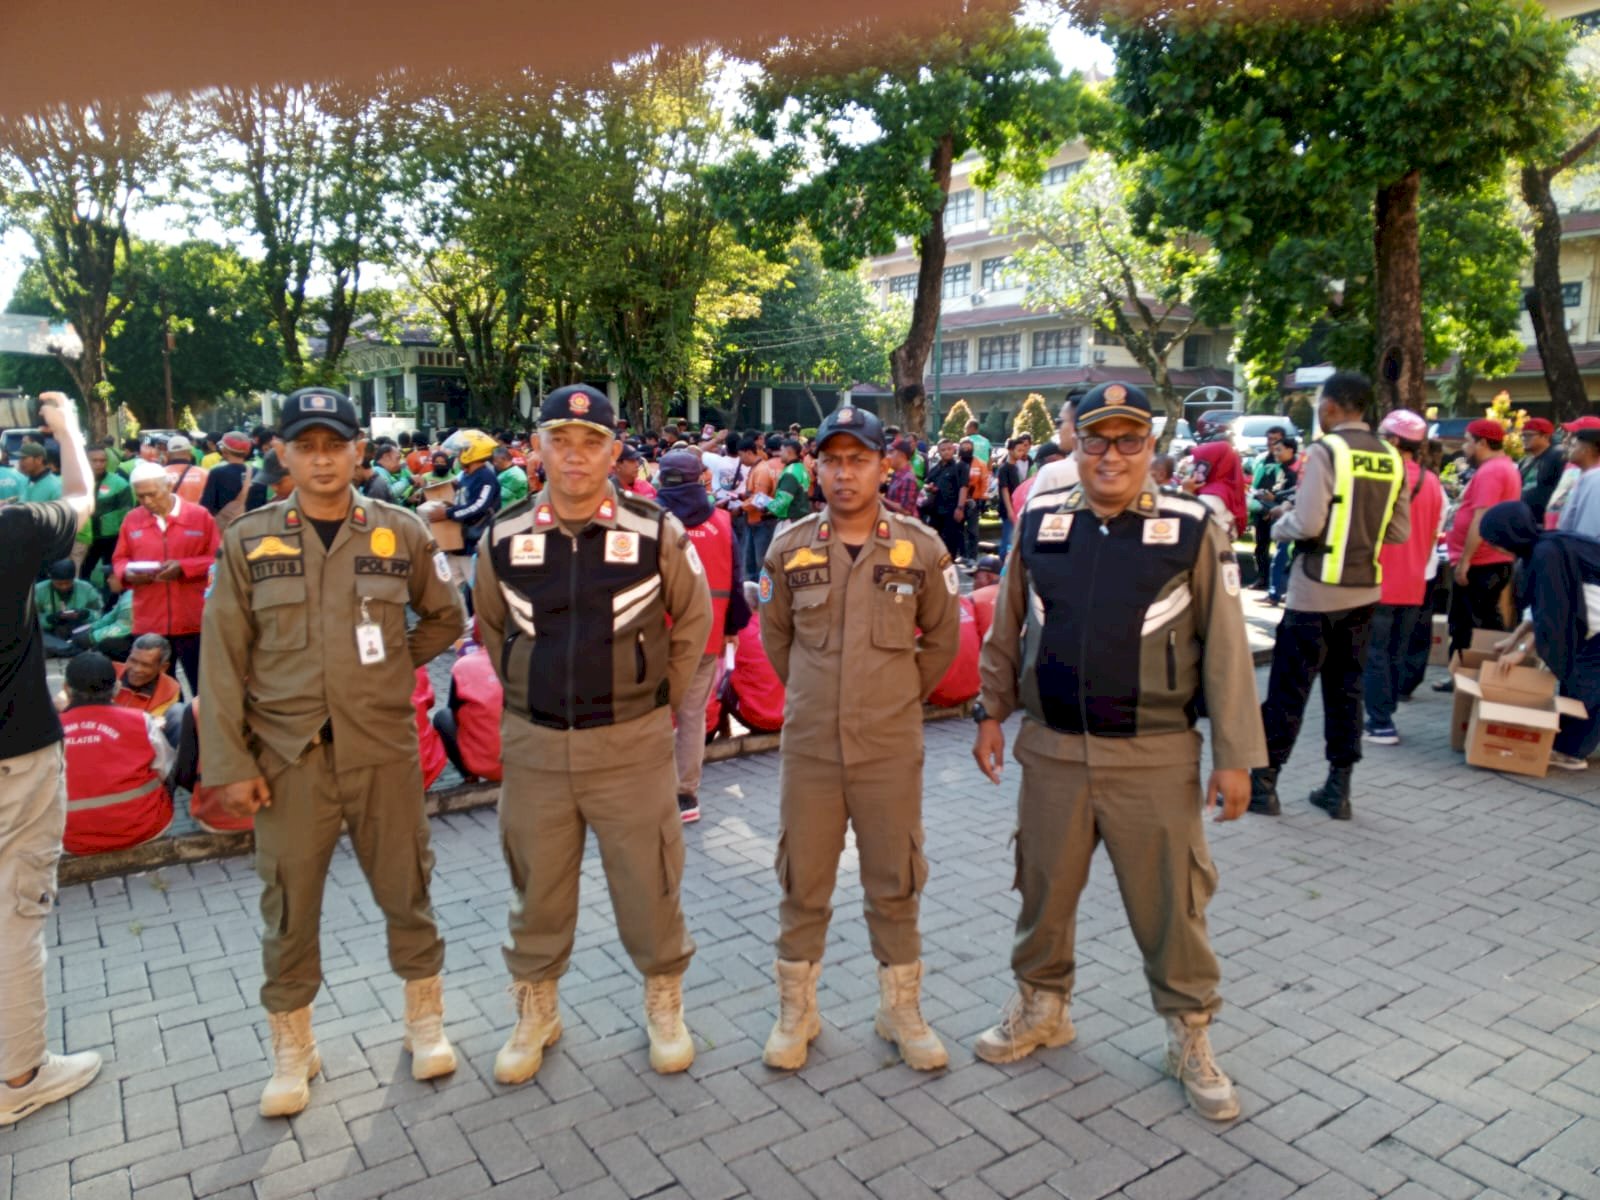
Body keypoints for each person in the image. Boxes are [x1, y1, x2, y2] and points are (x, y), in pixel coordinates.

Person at [970, 380, 1261, 1121]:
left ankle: (1189, 1036)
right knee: (1043, 890)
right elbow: (1007, 629)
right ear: (1075, 440)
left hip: (1154, 754)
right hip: (1053, 751)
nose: (1111, 454)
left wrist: (1235, 756)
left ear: (1151, 447)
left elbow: (1226, 647)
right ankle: (1042, 1007)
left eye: (1129, 439)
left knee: (1172, 904)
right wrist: (990, 712)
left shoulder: (1194, 527)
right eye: (1096, 438)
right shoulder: (1039, 522)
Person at [199, 386, 467, 1117]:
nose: (321, 460)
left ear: (356, 450)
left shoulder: (400, 530)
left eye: (335, 445)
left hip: (380, 747)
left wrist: (388, 667)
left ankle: (425, 1022)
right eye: (305, 446)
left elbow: (447, 616)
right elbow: (221, 660)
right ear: (281, 453)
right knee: (289, 905)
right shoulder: (249, 539)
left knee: (406, 887)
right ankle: (294, 1048)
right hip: (288, 758)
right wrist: (229, 762)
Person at [473, 384, 710, 1085]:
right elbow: (492, 630)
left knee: (649, 882)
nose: (575, 457)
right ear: (537, 448)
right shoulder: (504, 536)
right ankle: (536, 1009)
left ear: (615, 451)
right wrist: (527, 683)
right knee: (538, 887)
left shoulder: (654, 530)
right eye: (560, 441)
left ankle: (664, 1002)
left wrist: (651, 694)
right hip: (536, 745)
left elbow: (691, 624)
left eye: (591, 443)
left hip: (631, 745)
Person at [758, 405, 961, 1072]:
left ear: (884, 465)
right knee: (803, 878)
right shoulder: (788, 548)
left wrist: (893, 697)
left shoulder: (920, 548)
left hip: (888, 749)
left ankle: (899, 1009)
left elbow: (942, 643)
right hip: (812, 747)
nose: (844, 472)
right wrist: (820, 696)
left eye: (858, 459)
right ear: (814, 464)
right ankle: (797, 1011)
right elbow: (777, 642)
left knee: (894, 876)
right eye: (832, 458)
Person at [0, 391, 101, 1126]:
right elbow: (82, 499)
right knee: (14, 914)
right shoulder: (12, 528)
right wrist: (66, 428)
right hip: (14, 757)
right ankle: (19, 1075)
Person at [1249, 371, 1410, 821]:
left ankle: (1264, 785)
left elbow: (1307, 523)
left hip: (1315, 591)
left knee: (1288, 689)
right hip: (1364, 591)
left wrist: (1280, 520)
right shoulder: (1392, 458)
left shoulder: (1328, 451)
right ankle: (1338, 789)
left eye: (1320, 401)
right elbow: (1398, 531)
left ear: (1333, 407)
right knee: (1347, 689)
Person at [656, 449, 751, 823]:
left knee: (656, 711)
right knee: (693, 714)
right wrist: (731, 630)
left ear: (663, 478)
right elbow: (734, 577)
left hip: (656, 637)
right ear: (702, 478)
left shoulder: (648, 519)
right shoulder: (723, 522)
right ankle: (686, 795)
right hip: (706, 638)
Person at [1480, 501, 1600, 770]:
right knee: (1580, 677)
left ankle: (1572, 752)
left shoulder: (1546, 554)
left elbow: (1553, 614)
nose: (1494, 548)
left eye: (1494, 541)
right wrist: (1514, 639)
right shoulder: (1543, 545)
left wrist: (1521, 650)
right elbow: (1543, 603)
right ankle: (1568, 744)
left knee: (1587, 682)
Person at [1361, 410, 1445, 745]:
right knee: (1395, 650)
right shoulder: (1433, 481)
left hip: (1380, 577)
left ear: (1394, 441)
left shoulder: (1381, 476)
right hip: (1414, 580)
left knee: (1376, 651)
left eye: (1382, 435)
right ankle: (1386, 711)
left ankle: (1380, 723)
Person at [113, 463, 219, 695]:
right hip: (151, 620)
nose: (148, 501)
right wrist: (128, 574)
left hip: (193, 619)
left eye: (153, 494)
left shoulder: (199, 517)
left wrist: (184, 567)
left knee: (205, 689)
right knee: (156, 692)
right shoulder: (132, 520)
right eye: (141, 496)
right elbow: (120, 560)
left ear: (169, 486)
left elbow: (217, 559)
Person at [60, 652, 175, 856]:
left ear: (66, 688)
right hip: (145, 828)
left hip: (71, 839)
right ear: (117, 688)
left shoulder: (50, 730)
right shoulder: (142, 720)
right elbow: (165, 769)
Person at [1435, 418, 1523, 684]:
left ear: (1483, 443)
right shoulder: (1502, 467)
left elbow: (1481, 519)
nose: (1464, 447)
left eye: (1468, 441)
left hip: (1482, 561)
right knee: (1484, 619)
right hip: (1490, 559)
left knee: (1467, 622)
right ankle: (1478, 673)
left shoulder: (1492, 471)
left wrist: (1465, 561)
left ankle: (1462, 675)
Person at [427, 431, 500, 590]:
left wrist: (447, 513)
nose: (458, 455)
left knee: (478, 592)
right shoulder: (466, 476)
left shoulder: (485, 477)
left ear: (471, 452)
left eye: (462, 451)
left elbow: (478, 506)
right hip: (458, 544)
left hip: (474, 545)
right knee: (447, 591)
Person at [431, 642, 504, 785]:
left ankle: (470, 776)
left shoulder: (463, 665)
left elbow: (453, 712)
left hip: (483, 766)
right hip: (529, 764)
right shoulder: (530, 658)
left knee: (442, 717)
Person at [82, 446, 134, 584]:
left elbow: (127, 512)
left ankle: (110, 603)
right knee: (82, 572)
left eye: (102, 461)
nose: (99, 464)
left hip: (111, 537)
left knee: (111, 574)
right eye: (94, 461)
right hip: (85, 537)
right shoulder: (75, 482)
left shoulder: (119, 483)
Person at [34, 559, 102, 658]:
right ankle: (70, 649)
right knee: (37, 640)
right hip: (51, 632)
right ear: (51, 579)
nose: (64, 587)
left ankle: (64, 649)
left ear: (74, 578)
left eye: (68, 583)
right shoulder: (39, 590)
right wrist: (49, 619)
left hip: (78, 630)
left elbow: (100, 614)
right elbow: (31, 620)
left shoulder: (86, 588)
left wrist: (86, 614)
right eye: (59, 584)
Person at [1186, 440, 1248, 540]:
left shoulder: (1211, 496)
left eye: (1198, 462)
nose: (1194, 465)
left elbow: (1186, 523)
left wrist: (1186, 492)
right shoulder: (1226, 487)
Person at [741, 434, 783, 582]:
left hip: (762, 521)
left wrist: (741, 507)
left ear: (748, 452)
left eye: (741, 456)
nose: (740, 460)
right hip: (754, 521)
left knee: (762, 562)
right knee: (751, 562)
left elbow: (760, 499)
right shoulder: (757, 468)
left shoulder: (762, 470)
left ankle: (765, 595)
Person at [922, 439, 970, 563]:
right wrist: (930, 488)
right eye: (943, 450)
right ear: (939, 451)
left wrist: (960, 508)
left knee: (950, 543)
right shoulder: (936, 468)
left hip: (952, 510)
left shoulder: (960, 466)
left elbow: (963, 487)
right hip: (935, 510)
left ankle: (949, 568)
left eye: (949, 449)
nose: (946, 452)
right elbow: (927, 483)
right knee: (933, 540)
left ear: (954, 449)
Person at [114, 634, 181, 717]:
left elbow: (152, 724)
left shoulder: (169, 689)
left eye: (146, 665)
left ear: (163, 667)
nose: (136, 669)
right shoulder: (110, 671)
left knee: (178, 711)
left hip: (140, 727)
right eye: (133, 660)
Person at [1556, 421, 1600, 538]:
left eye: (1574, 446)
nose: (1569, 449)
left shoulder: (1596, 481)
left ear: (1586, 450)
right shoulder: (1585, 476)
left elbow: (1590, 528)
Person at [1518, 418, 1564, 523]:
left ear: (1546, 436)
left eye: (1529, 435)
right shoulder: (1524, 461)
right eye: (1523, 435)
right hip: (1526, 522)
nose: (1524, 439)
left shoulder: (1557, 455)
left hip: (1546, 523)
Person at [197, 431, 253, 517]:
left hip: (224, 527)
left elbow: (206, 507)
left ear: (224, 450)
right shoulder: (257, 473)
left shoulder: (217, 473)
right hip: (254, 528)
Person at [767, 438, 811, 531]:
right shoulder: (801, 467)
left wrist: (767, 507)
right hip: (801, 518)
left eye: (781, 451)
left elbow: (783, 500)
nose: (780, 454)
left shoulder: (790, 473)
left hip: (789, 520)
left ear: (789, 452)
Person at [995, 439, 1024, 558]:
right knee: (1007, 541)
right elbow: (1004, 489)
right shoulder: (1004, 468)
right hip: (1008, 509)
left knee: (1012, 540)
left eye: (1023, 450)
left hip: (1016, 508)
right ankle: (1003, 568)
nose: (1022, 453)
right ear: (1010, 450)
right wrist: (1010, 510)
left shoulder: (1015, 467)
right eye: (1019, 450)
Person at [161, 435, 209, 506]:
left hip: (170, 516)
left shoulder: (160, 474)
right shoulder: (205, 474)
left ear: (168, 453)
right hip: (197, 515)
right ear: (190, 452)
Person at [881, 437, 922, 518]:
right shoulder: (896, 474)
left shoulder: (908, 478)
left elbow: (906, 511)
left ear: (902, 455)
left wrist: (881, 499)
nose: (887, 456)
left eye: (891, 452)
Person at [968, 552, 1002, 640]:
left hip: (986, 650)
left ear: (988, 577)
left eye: (976, 578)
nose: (974, 583)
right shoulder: (1015, 595)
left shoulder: (973, 599)